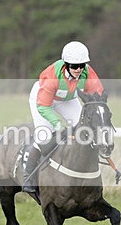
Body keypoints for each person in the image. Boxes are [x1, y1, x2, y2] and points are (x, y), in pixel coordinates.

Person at [22, 41, 106, 193]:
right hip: (42, 101)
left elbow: (97, 97)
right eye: (74, 66)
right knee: (44, 136)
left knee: (83, 130)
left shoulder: (87, 72)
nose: (79, 69)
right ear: (66, 64)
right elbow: (43, 106)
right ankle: (28, 175)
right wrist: (59, 125)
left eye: (82, 65)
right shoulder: (52, 76)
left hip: (67, 99)